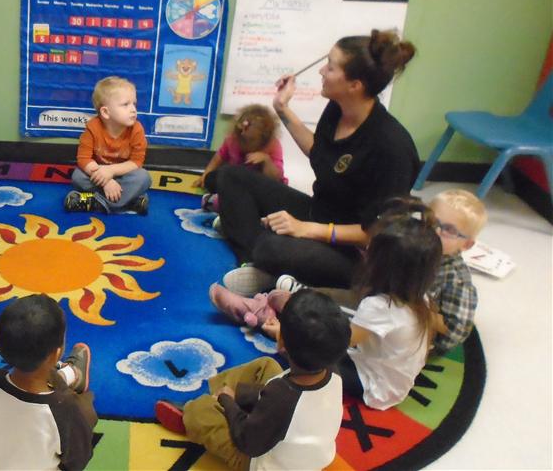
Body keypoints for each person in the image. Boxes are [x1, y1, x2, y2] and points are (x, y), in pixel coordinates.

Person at [211, 30, 419, 294]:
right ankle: (260, 265)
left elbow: (376, 233)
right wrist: (282, 108)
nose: (322, 71)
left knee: (270, 245)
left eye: (331, 67)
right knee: (230, 176)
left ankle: (259, 253)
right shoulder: (337, 108)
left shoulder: (392, 148)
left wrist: (306, 229)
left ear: (355, 85)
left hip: (354, 253)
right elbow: (321, 155)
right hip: (319, 213)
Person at [265, 203, 441, 410]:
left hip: (374, 386)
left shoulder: (379, 307)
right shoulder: (420, 297)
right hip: (388, 372)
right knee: (328, 318)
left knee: (306, 353)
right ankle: (299, 300)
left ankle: (263, 315)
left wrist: (283, 334)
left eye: (369, 250)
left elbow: (337, 344)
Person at [155, 289, 350, 470]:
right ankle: (221, 397)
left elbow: (247, 442)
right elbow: (285, 397)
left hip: (260, 459)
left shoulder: (281, 396)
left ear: (282, 344)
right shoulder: (332, 370)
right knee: (266, 366)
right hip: (297, 438)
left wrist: (228, 402)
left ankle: (193, 414)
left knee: (201, 413)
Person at [0, 295, 97, 470]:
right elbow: (77, 460)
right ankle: (71, 373)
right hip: (62, 406)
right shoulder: (66, 411)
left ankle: (69, 374)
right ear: (56, 354)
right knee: (86, 408)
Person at [65, 76, 151, 215]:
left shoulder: (137, 129)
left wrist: (111, 171)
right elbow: (84, 159)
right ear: (105, 112)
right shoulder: (92, 128)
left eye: (134, 104)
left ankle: (94, 202)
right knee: (78, 176)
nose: (133, 109)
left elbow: (136, 162)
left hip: (123, 175)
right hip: (98, 176)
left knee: (143, 177)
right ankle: (130, 202)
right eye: (125, 104)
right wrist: (106, 182)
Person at [196, 104, 286, 231]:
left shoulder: (273, 146)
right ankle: (217, 204)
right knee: (212, 180)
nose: (243, 139)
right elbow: (219, 157)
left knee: (278, 207)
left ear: (263, 139)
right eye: (241, 135)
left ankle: (237, 215)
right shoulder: (232, 140)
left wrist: (266, 160)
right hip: (237, 187)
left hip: (263, 189)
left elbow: (277, 178)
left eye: (251, 140)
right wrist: (205, 174)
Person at [427, 189, 486, 355]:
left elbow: (455, 331)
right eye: (432, 221)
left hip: (420, 335)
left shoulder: (457, 281)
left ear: (466, 245)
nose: (435, 231)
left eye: (449, 230)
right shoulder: (419, 246)